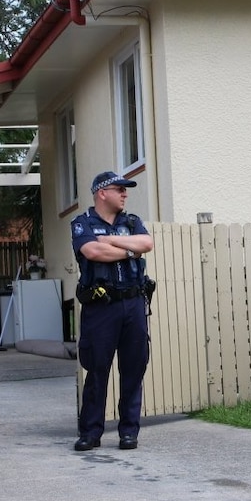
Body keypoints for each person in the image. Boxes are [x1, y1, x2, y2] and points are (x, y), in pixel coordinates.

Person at [71, 171, 154, 451]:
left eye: (125, 190)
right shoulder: (82, 223)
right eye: (120, 189)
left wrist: (111, 241)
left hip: (133, 303)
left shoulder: (131, 221)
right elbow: (93, 253)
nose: (125, 194)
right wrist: (129, 250)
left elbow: (146, 244)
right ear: (102, 192)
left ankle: (128, 432)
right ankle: (91, 433)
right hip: (101, 306)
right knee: (97, 371)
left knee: (133, 368)